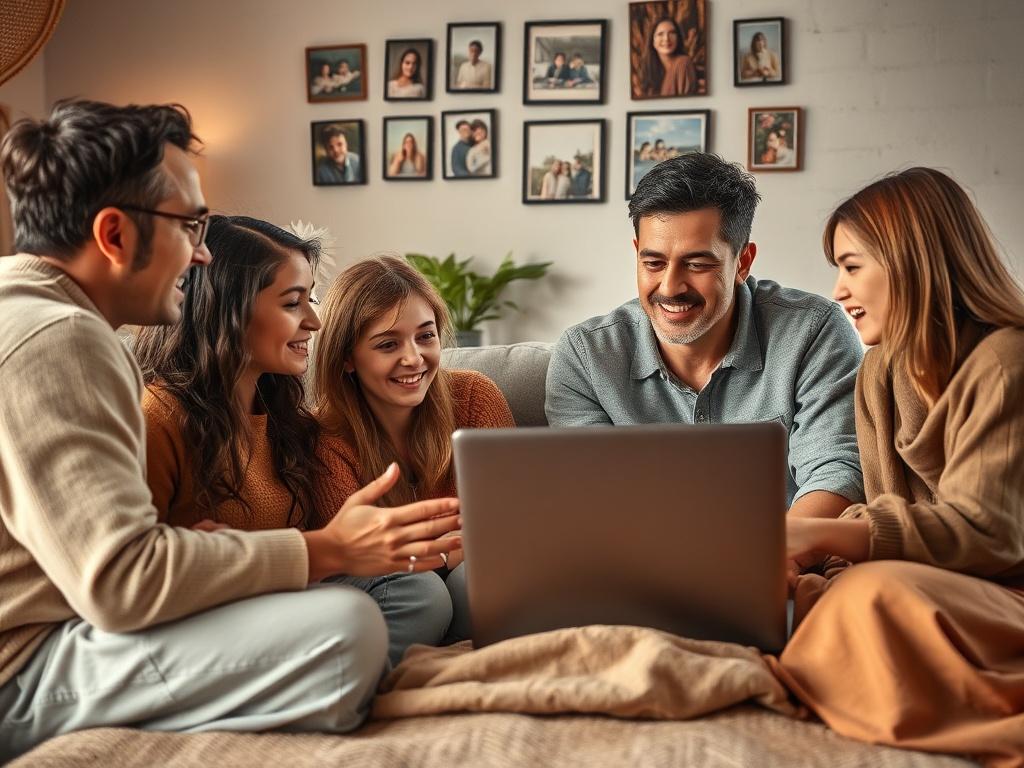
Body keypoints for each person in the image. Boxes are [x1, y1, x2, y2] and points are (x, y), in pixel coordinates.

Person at [0, 99, 460, 761]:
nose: (203, 253)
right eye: (190, 224)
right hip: (26, 673)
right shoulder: (60, 337)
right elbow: (123, 581)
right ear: (115, 235)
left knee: (394, 600)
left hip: (65, 637)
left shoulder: (35, 314)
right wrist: (322, 549)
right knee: (346, 627)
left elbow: (109, 554)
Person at [776, 168, 1024, 764]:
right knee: (799, 595)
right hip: (924, 584)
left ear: (912, 260)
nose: (838, 289)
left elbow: (989, 533)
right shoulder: (878, 373)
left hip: (1001, 590)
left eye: (852, 265)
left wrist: (816, 531)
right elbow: (892, 518)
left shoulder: (1006, 362)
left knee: (873, 593)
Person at [134, 215, 455, 667]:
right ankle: (336, 683)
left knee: (417, 591)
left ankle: (347, 681)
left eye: (311, 300)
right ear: (229, 309)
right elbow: (133, 578)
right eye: (292, 304)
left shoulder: (282, 416)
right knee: (411, 595)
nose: (315, 321)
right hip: (209, 624)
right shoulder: (159, 418)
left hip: (281, 603)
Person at [546, 152, 864, 523]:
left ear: (743, 262)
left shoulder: (814, 331)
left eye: (697, 264)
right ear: (637, 254)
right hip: (638, 569)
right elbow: (593, 499)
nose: (670, 287)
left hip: (790, 562)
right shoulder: (585, 356)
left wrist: (766, 560)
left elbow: (836, 472)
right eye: (653, 263)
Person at [312, 255, 515, 642]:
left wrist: (434, 551)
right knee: (427, 592)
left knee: (475, 579)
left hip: (470, 589)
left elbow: (512, 524)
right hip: (393, 601)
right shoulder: (323, 438)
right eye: (388, 344)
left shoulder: (474, 397)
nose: (414, 357)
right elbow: (366, 558)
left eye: (426, 336)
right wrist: (457, 547)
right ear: (347, 359)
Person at [639, 17, 697, 97]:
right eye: (660, 34)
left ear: (678, 38)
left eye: (672, 33)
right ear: (653, 41)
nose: (666, 38)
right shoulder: (650, 71)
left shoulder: (683, 63)